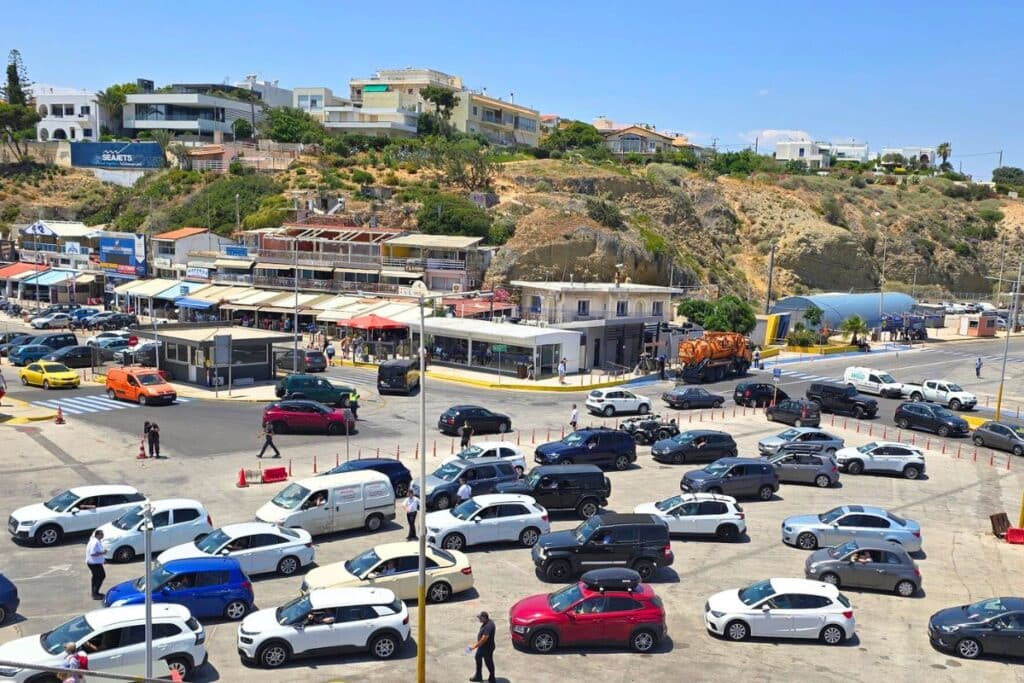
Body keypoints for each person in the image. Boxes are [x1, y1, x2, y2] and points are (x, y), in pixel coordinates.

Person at [469, 611, 497, 683]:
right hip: (483, 647)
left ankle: (492, 678)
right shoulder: (487, 622)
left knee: (488, 662)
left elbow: (484, 639)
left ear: (484, 618)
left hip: (487, 648)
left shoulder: (489, 626)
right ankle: (478, 676)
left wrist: (474, 646)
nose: (479, 619)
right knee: (477, 657)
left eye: (480, 618)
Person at [86, 529, 106, 599]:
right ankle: (95, 594)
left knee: (96, 577)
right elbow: (92, 553)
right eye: (102, 534)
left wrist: (103, 559)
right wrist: (103, 553)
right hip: (94, 564)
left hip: (95, 563)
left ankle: (95, 593)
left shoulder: (95, 541)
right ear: (98, 535)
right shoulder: (95, 542)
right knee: (101, 576)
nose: (103, 535)